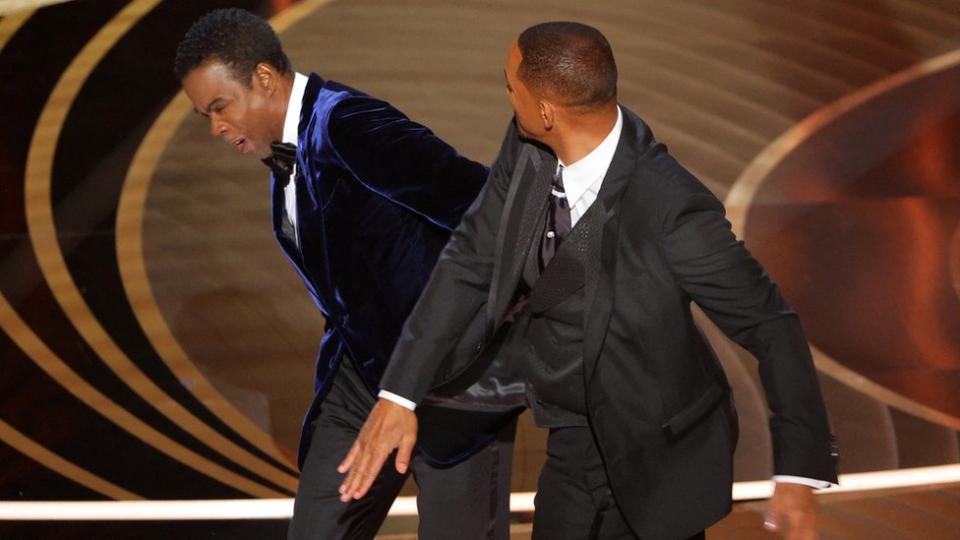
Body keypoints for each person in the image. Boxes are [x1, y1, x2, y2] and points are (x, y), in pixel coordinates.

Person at [338, 21, 839, 540]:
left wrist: (797, 474)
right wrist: (399, 396)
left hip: (659, 452)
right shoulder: (528, 147)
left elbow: (769, 324)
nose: (507, 94)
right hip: (573, 439)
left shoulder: (673, 209)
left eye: (511, 85)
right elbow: (471, 257)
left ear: (548, 111)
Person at [174, 8, 516, 540]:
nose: (217, 128)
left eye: (221, 107)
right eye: (206, 116)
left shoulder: (349, 125)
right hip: (360, 378)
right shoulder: (285, 159)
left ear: (263, 78)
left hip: (451, 384)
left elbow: (484, 206)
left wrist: (487, 333)